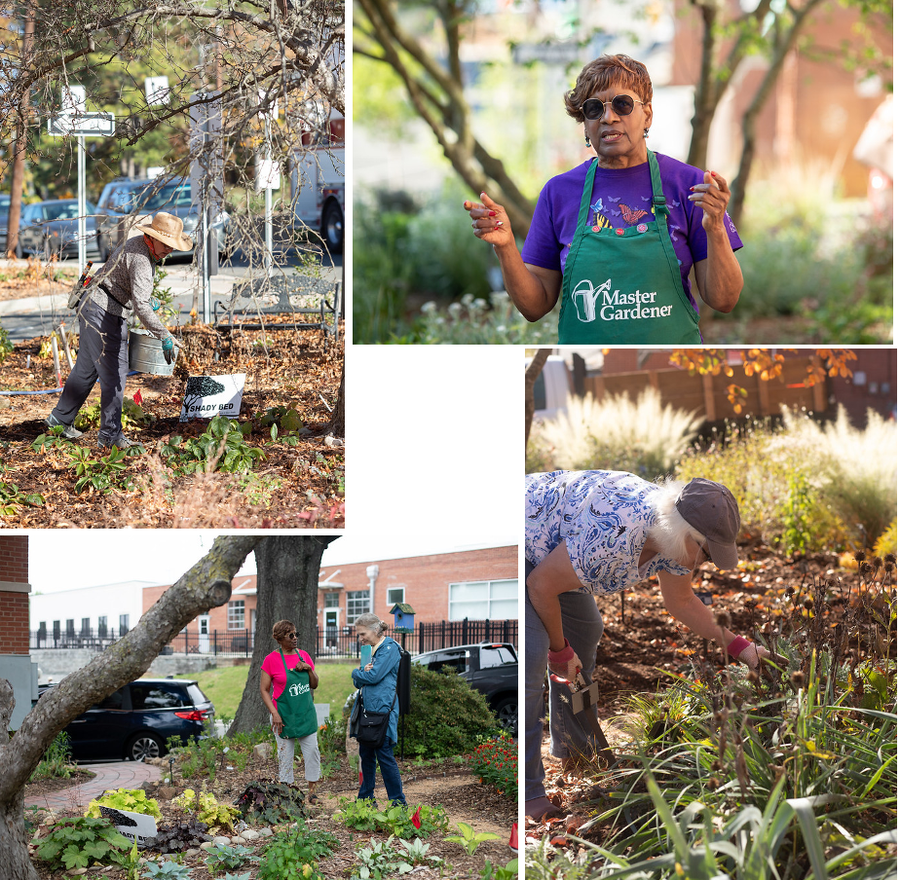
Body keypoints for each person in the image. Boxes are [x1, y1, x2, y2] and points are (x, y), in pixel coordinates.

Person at [524, 470, 769, 820]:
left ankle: (579, 749)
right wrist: (559, 652)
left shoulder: (675, 540)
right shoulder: (614, 533)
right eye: (706, 553)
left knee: (586, 630)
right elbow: (540, 585)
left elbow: (682, 602)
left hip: (558, 551)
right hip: (528, 550)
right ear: (684, 533)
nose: (707, 563)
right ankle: (529, 791)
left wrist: (743, 649)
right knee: (533, 658)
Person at [464, 54, 743, 344]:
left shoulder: (690, 186)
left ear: (647, 114)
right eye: (594, 109)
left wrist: (716, 229)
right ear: (585, 125)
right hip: (586, 369)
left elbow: (724, 300)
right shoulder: (558, 192)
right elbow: (535, 307)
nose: (608, 117)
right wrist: (506, 246)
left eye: (622, 104)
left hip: (671, 364)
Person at [45, 212, 193, 449]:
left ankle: (59, 419)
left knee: (85, 370)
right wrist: (164, 334)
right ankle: (110, 436)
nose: (169, 250)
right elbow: (141, 306)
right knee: (115, 373)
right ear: (152, 237)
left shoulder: (139, 245)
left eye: (172, 246)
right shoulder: (143, 259)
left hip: (94, 304)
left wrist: (144, 297)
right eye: (166, 244)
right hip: (103, 311)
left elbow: (127, 284)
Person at [260, 619, 321, 803]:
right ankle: (287, 794)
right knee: (285, 755)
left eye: (296, 634)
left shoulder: (303, 656)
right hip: (283, 716)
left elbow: (314, 684)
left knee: (312, 753)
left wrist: (309, 669)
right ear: (279, 639)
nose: (295, 639)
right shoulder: (271, 660)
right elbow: (264, 690)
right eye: (290, 635)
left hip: (305, 715)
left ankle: (312, 793)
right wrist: (274, 713)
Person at [351, 613, 406, 806]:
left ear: (375, 630)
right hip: (368, 712)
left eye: (362, 633)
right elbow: (359, 683)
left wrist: (356, 672)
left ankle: (398, 803)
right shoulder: (369, 650)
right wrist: (360, 674)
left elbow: (372, 677)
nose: (360, 639)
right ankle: (366, 800)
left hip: (383, 712)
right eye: (359, 635)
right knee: (366, 756)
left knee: (384, 757)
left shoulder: (389, 648)